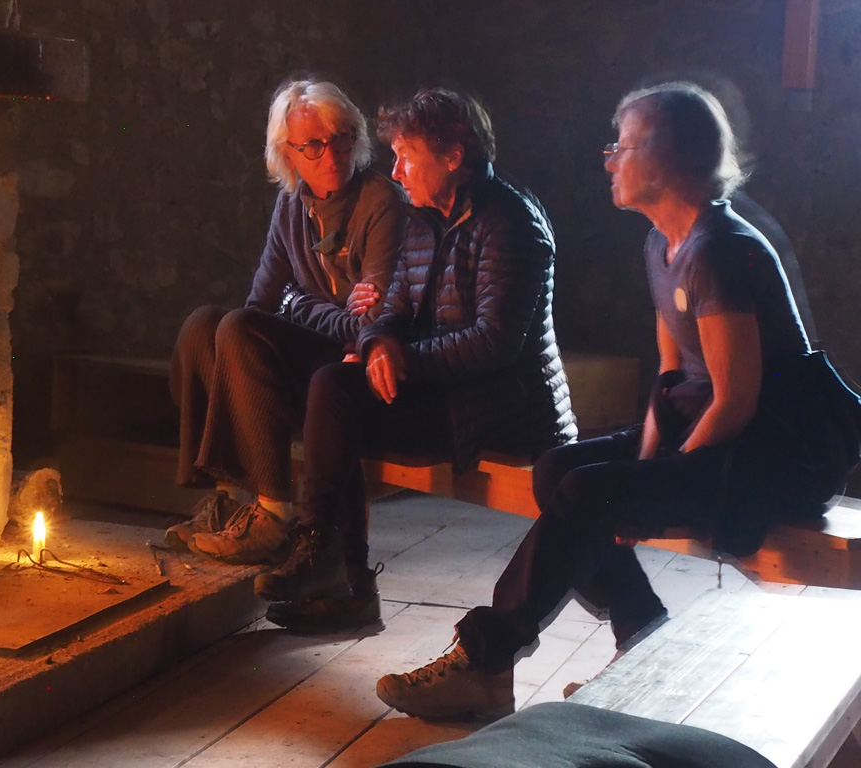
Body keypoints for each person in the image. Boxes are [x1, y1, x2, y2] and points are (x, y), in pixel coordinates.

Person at [375, 82, 833, 721]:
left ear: (668, 157)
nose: (609, 157)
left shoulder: (721, 250)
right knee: (559, 468)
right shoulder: (661, 244)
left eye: (623, 144)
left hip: (768, 459)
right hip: (716, 439)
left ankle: (486, 657)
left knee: (591, 494)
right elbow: (672, 379)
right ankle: (645, 637)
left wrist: (649, 483)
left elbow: (735, 399)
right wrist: (645, 467)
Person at [254, 89, 577, 634]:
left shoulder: (510, 223)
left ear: (453, 155)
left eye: (407, 156)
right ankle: (328, 558)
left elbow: (493, 342)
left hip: (504, 408)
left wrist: (403, 359)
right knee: (336, 385)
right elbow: (392, 307)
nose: (396, 171)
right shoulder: (424, 217)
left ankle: (341, 574)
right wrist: (379, 342)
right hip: (448, 393)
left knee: (341, 399)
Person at [165, 79, 408, 564]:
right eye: (314, 145)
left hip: (348, 367)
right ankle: (228, 498)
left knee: (238, 329)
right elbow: (262, 301)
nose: (331, 153)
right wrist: (313, 309)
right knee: (203, 325)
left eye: (340, 138)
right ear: (288, 153)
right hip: (320, 345)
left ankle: (274, 513)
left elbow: (372, 321)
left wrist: (301, 306)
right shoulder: (292, 204)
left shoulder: (380, 200)